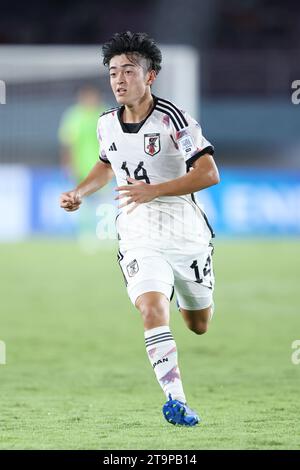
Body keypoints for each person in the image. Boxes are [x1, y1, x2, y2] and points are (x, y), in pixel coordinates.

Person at [60, 31, 220, 427]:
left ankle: (188, 294)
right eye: (113, 72)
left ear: (150, 76)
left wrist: (156, 190)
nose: (118, 79)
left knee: (198, 324)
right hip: (137, 232)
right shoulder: (105, 125)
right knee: (150, 308)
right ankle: (176, 400)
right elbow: (106, 163)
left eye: (128, 71)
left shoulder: (173, 119)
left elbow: (209, 172)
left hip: (186, 232)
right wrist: (80, 191)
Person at [58, 85, 108, 250]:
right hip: (80, 167)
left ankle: (105, 233)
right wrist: (67, 164)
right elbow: (67, 143)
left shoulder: (105, 114)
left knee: (104, 201)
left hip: (103, 167)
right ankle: (86, 236)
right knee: (82, 201)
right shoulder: (74, 116)